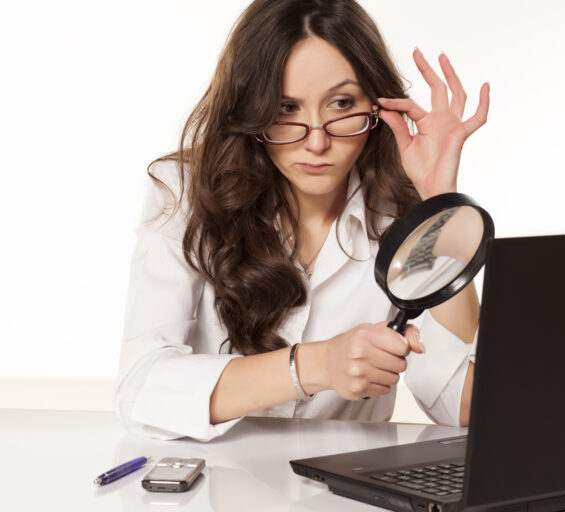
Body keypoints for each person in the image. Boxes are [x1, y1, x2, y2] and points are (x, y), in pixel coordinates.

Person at [116, 0, 490, 441]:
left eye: (341, 103)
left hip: (346, 477)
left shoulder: (404, 212)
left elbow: (465, 405)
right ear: (250, 108)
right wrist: (316, 364)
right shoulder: (184, 192)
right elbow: (142, 389)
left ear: (377, 104)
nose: (316, 141)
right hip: (216, 476)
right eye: (286, 108)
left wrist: (440, 202)